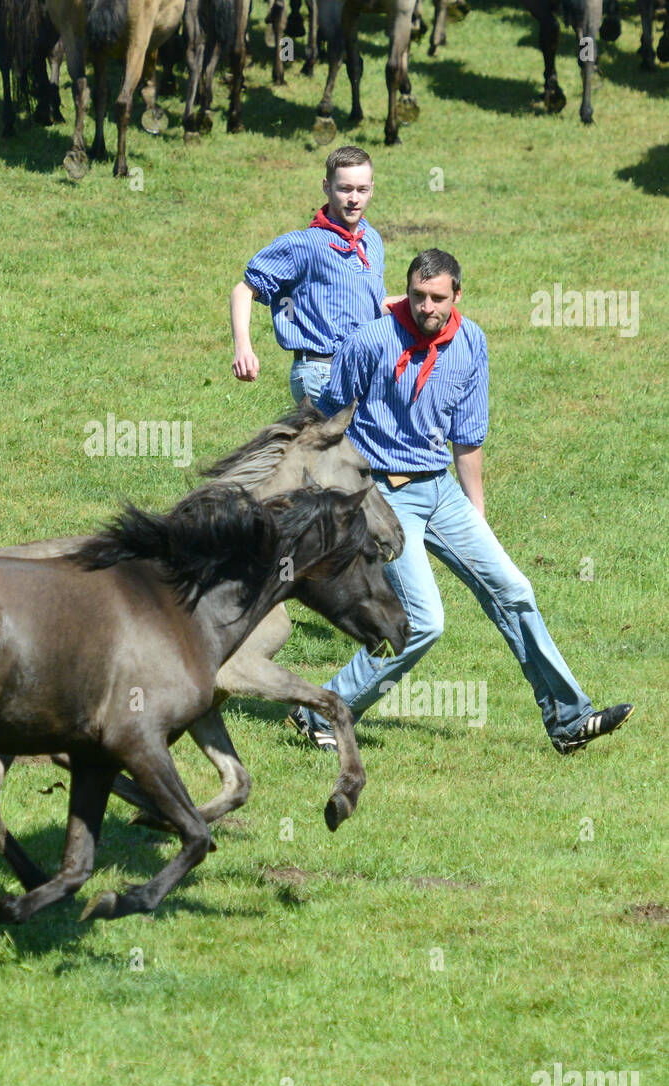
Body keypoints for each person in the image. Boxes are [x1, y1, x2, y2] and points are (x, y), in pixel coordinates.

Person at [290, 248, 633, 756]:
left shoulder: (471, 343)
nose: (426, 307)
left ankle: (567, 718)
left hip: (441, 489)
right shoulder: (371, 341)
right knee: (425, 621)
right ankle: (322, 710)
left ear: (457, 296)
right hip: (384, 496)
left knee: (515, 589)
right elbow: (323, 417)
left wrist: (477, 513)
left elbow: (467, 440)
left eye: (437, 298)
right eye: (418, 296)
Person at [230, 146, 388, 406]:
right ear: (326, 186)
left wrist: (416, 303)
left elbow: (372, 307)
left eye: (362, 190)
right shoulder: (302, 245)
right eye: (345, 189)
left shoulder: (371, 239)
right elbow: (243, 291)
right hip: (320, 371)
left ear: (372, 187)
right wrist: (243, 349)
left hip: (361, 368)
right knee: (343, 447)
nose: (354, 199)